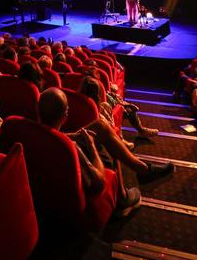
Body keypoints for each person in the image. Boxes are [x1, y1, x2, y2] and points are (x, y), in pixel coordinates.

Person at [37, 87, 142, 217]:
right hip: (74, 207)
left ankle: (141, 169)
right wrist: (92, 147)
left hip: (43, 194)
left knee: (100, 126)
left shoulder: (26, 132)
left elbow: (51, 133)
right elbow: (99, 183)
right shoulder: (70, 148)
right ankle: (123, 197)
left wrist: (72, 135)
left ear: (37, 110)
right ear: (65, 115)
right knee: (110, 148)